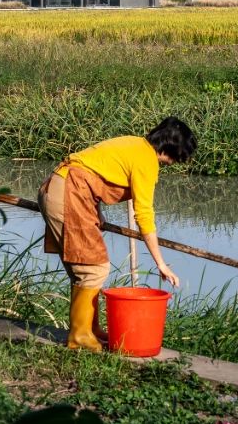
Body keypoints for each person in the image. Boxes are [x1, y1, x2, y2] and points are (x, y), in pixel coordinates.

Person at [38, 116, 198, 351]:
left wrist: (96, 211)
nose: (176, 162)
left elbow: (92, 171)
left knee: (84, 268)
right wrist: (161, 264)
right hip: (69, 193)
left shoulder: (134, 144)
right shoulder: (146, 160)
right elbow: (144, 215)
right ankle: (79, 336)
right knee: (93, 268)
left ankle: (89, 329)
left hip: (62, 189)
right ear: (173, 148)